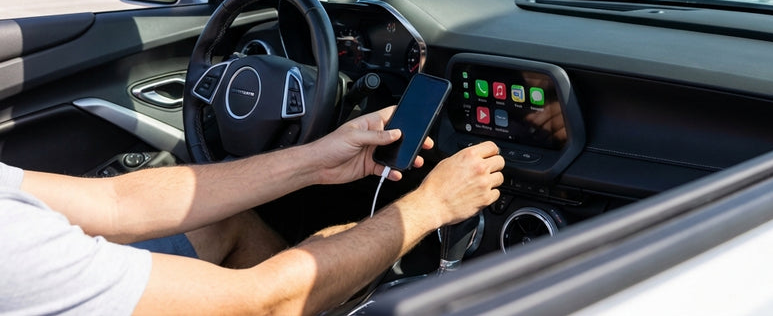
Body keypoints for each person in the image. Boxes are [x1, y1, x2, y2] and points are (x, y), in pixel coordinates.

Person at [0, 105, 504, 315]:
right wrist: (431, 205)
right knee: (323, 248)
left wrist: (315, 161)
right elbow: (260, 303)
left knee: (218, 221)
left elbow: (116, 201)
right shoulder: (15, 252)